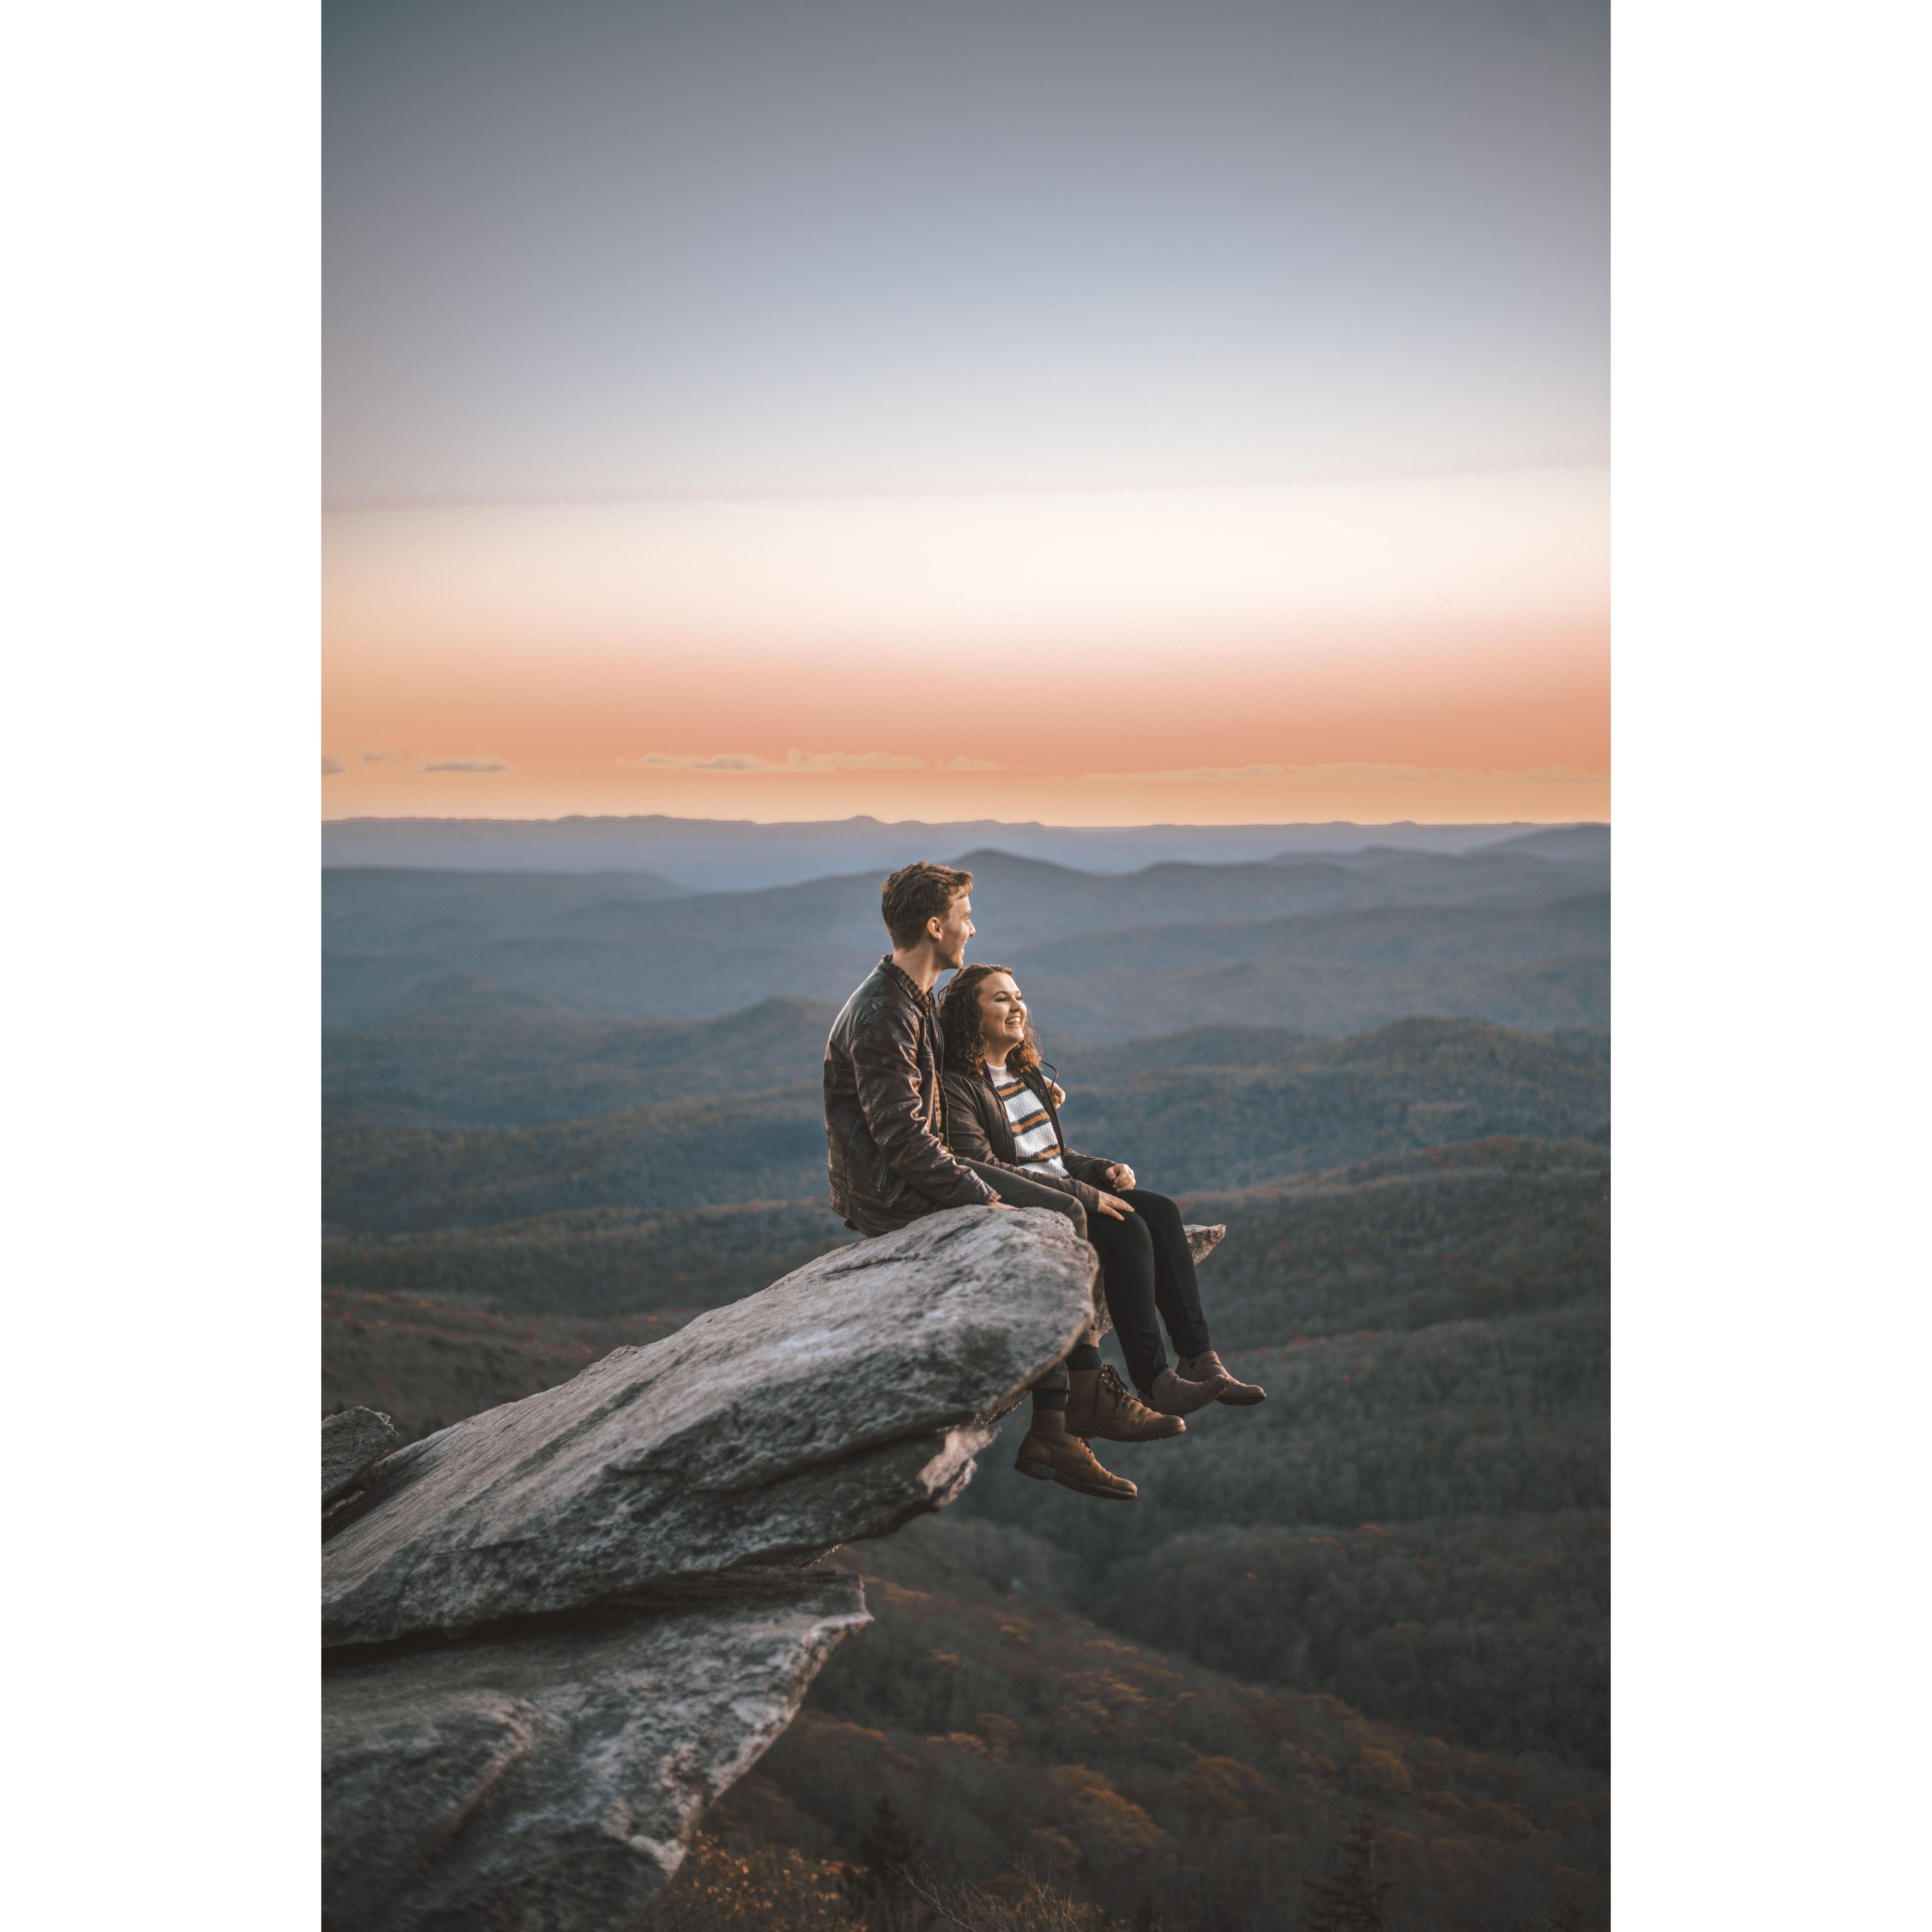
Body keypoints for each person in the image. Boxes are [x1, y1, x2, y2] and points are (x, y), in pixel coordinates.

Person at [823, 862, 1140, 1502]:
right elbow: (902, 1138)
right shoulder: (886, 1012)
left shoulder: (910, 1001)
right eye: (966, 917)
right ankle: (1066, 1417)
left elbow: (944, 1082)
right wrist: (982, 1196)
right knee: (1060, 1215)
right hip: (895, 1194)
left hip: (916, 1169)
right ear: (936, 926)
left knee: (1057, 1206)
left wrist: (1019, 1087)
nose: (973, 928)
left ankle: (1062, 1419)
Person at [937, 962, 1267, 1433]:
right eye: (1000, 999)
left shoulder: (1024, 1074)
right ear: (971, 1018)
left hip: (1064, 1192)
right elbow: (989, 1168)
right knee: (1129, 1231)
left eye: (1018, 996)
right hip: (1022, 1209)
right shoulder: (959, 1086)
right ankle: (1155, 1380)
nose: (1017, 1006)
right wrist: (1083, 1194)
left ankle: (1200, 1360)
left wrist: (1100, 1171)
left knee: (1161, 1211)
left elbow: (1054, 1154)